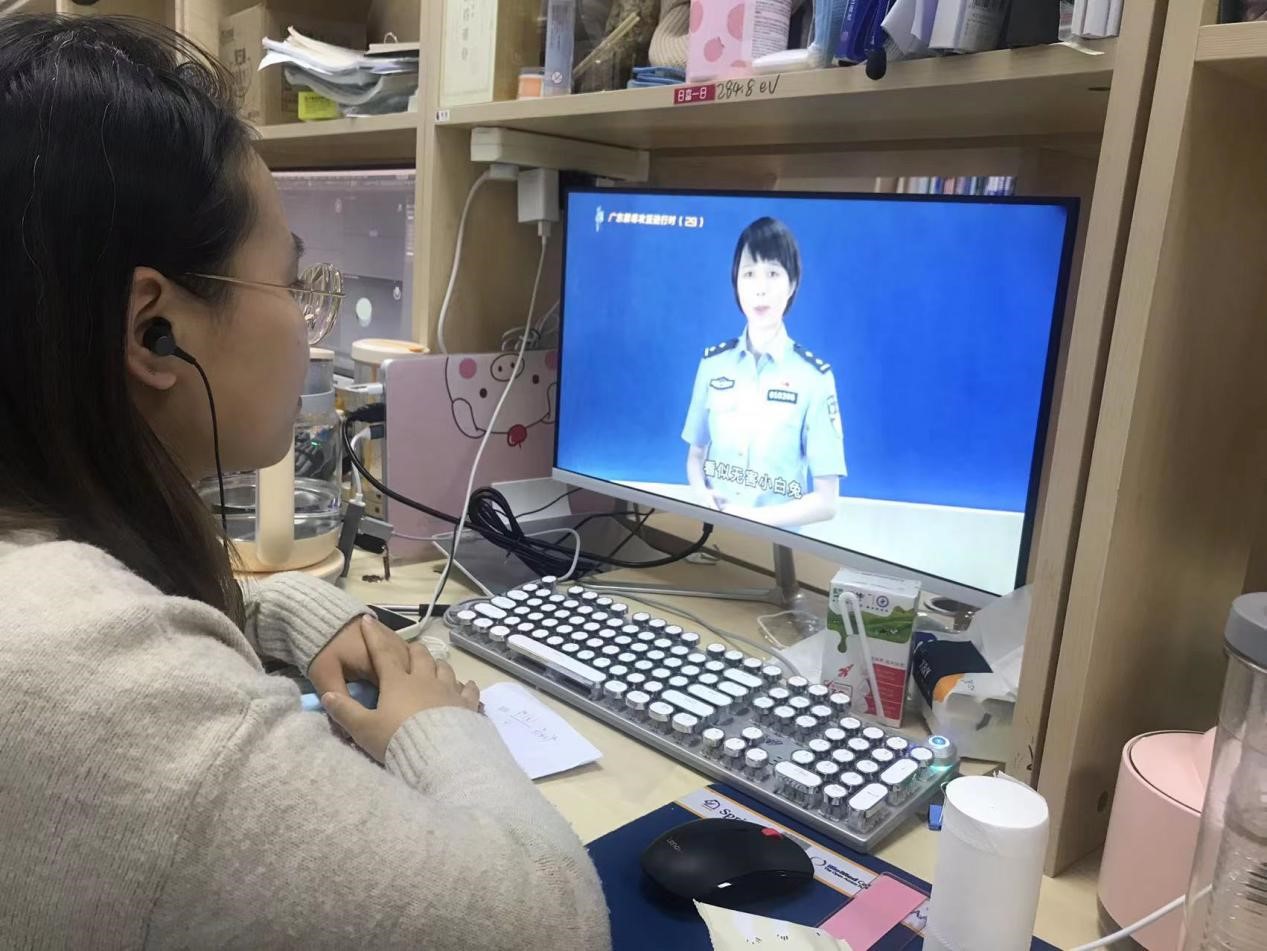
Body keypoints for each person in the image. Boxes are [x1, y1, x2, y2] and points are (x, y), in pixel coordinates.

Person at [0, 15, 609, 949]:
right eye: (292, 285)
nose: (308, 326)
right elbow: (549, 922)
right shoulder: (99, 685)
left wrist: (292, 614)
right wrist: (435, 721)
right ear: (154, 330)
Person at [682, 217, 846, 529]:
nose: (760, 289)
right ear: (736, 282)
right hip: (712, 535)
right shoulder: (713, 365)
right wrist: (703, 497)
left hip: (777, 546)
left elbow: (827, 503)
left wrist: (750, 520)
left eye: (773, 273)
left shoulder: (814, 378)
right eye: (749, 274)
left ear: (792, 283)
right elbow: (695, 455)